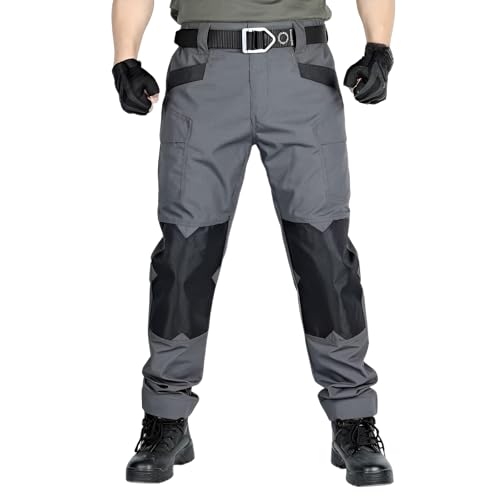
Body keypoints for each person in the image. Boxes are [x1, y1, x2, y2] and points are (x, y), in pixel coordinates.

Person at [112, 0, 395, 487]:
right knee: (185, 252)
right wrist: (125, 59)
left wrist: (378, 49)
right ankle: (166, 417)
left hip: (301, 69)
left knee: (324, 251)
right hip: (203, 72)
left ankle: (352, 418)